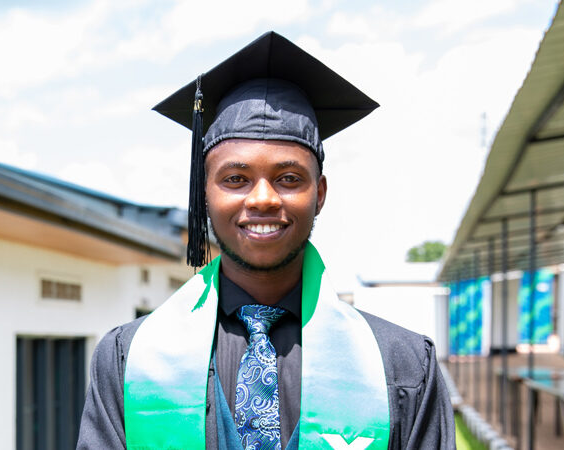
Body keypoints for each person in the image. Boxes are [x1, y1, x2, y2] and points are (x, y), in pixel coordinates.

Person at [77, 32, 454, 449]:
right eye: (235, 179)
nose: (262, 198)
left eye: (288, 179)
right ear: (204, 193)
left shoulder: (401, 364)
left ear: (320, 194)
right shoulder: (131, 359)